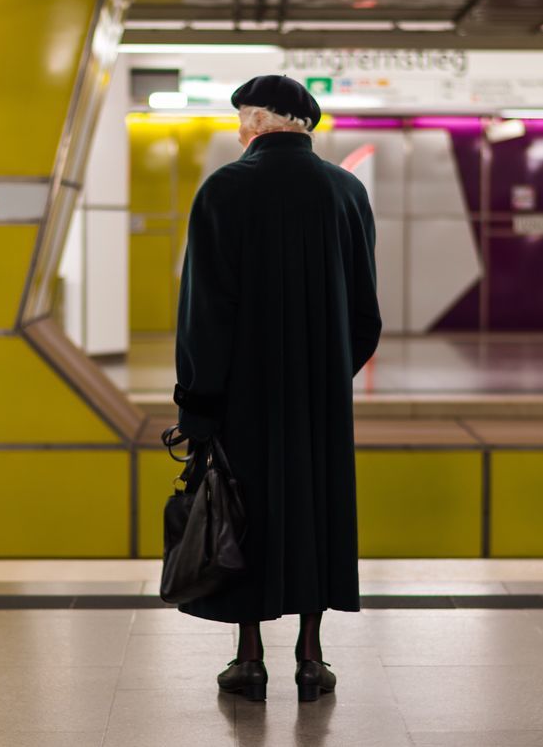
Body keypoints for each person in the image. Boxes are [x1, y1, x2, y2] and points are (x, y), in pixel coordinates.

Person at [171, 75, 383, 703]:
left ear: (264, 121)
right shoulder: (347, 192)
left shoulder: (225, 189)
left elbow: (206, 311)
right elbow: (366, 313)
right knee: (317, 511)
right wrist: (323, 371)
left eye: (243, 118)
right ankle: (312, 659)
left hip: (244, 398)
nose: (239, 131)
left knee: (245, 514)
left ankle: (250, 658)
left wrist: (200, 401)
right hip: (320, 398)